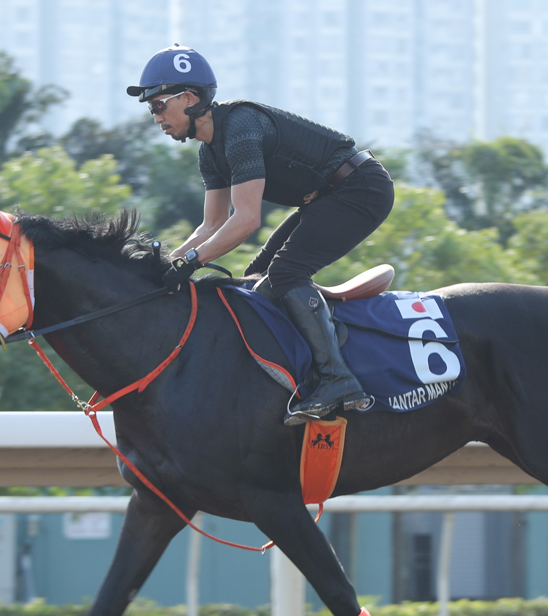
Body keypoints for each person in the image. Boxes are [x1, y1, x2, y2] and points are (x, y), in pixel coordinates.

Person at [127, 45, 395, 426]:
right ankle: (302, 365)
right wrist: (166, 261)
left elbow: (247, 220)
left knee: (286, 274)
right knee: (255, 278)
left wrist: (189, 263)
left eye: (157, 106)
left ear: (188, 98)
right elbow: (211, 225)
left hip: (360, 188)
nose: (155, 118)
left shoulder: (239, 128)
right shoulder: (209, 152)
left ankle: (339, 379)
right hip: (327, 198)